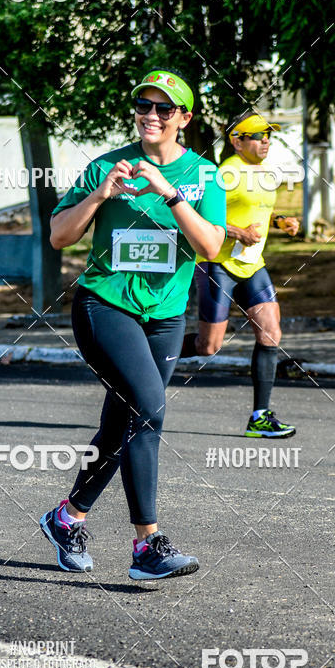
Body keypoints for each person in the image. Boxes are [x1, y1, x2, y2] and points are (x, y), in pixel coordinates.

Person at [40, 68, 226, 579]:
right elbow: (59, 236)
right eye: (144, 106)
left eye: (164, 108)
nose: (151, 115)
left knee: (121, 422)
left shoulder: (205, 175)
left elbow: (211, 247)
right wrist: (100, 194)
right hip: (105, 306)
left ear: (184, 118)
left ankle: (67, 517)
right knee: (149, 409)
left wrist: (170, 193)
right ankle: (147, 545)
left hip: (165, 318)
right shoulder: (106, 166)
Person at [181, 110, 299, 438]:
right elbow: (199, 216)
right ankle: (150, 353)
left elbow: (259, 209)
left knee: (270, 333)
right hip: (218, 264)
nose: (266, 141)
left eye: (268, 135)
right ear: (237, 141)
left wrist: (281, 221)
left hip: (252, 264)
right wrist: (238, 233)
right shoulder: (225, 173)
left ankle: (260, 417)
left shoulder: (264, 172)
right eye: (258, 136)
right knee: (208, 346)